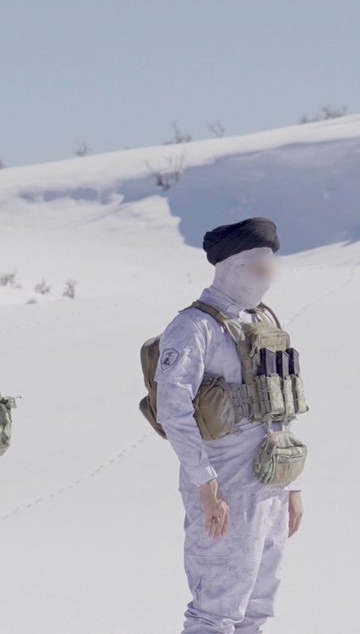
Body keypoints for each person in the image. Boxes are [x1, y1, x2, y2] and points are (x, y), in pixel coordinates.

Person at [154, 218, 306, 634]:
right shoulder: (194, 327)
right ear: (231, 266)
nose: (268, 275)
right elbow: (172, 408)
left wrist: (291, 487)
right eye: (258, 265)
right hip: (223, 488)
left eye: (270, 264)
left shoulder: (263, 321)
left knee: (258, 608)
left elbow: (280, 405)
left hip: (270, 486)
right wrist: (205, 484)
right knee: (215, 610)